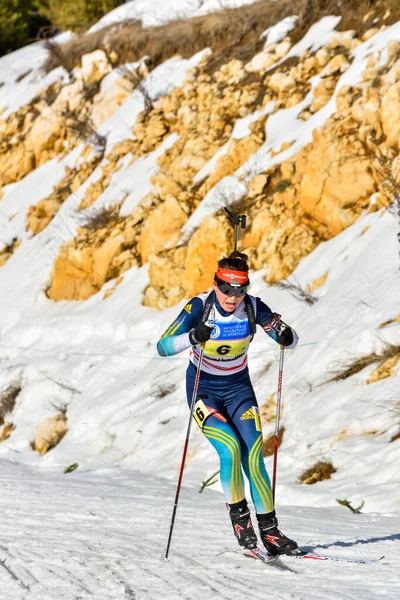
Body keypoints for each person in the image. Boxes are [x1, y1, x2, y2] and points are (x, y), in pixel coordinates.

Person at [157, 251, 300, 555]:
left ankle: (271, 532)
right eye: (226, 289)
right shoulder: (200, 306)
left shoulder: (253, 307)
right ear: (215, 283)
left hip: (239, 390)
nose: (232, 297)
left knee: (253, 455)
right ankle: (241, 520)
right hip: (203, 390)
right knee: (230, 449)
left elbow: (288, 336)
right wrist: (193, 337)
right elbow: (163, 346)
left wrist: (286, 336)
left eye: (240, 290)